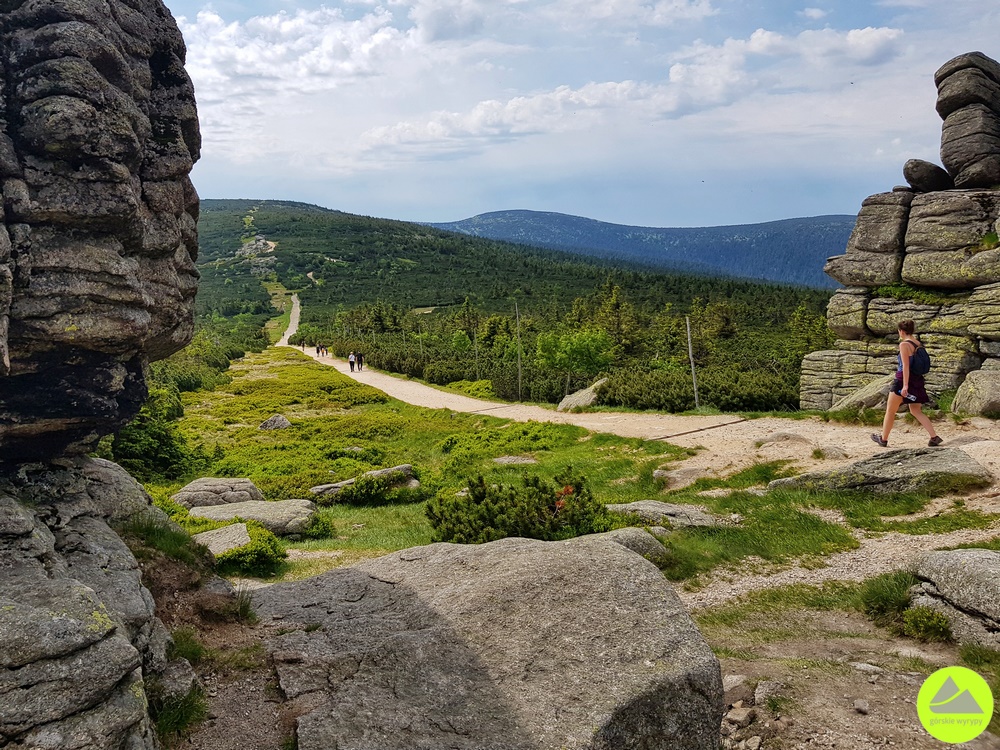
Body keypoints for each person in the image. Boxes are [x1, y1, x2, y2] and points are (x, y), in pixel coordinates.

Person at [872, 320, 942, 448]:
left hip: (902, 381)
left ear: (902, 331)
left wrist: (905, 386)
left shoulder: (904, 345)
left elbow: (905, 366)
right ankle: (934, 437)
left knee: (890, 411)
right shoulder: (918, 343)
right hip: (917, 380)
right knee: (916, 410)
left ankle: (883, 439)